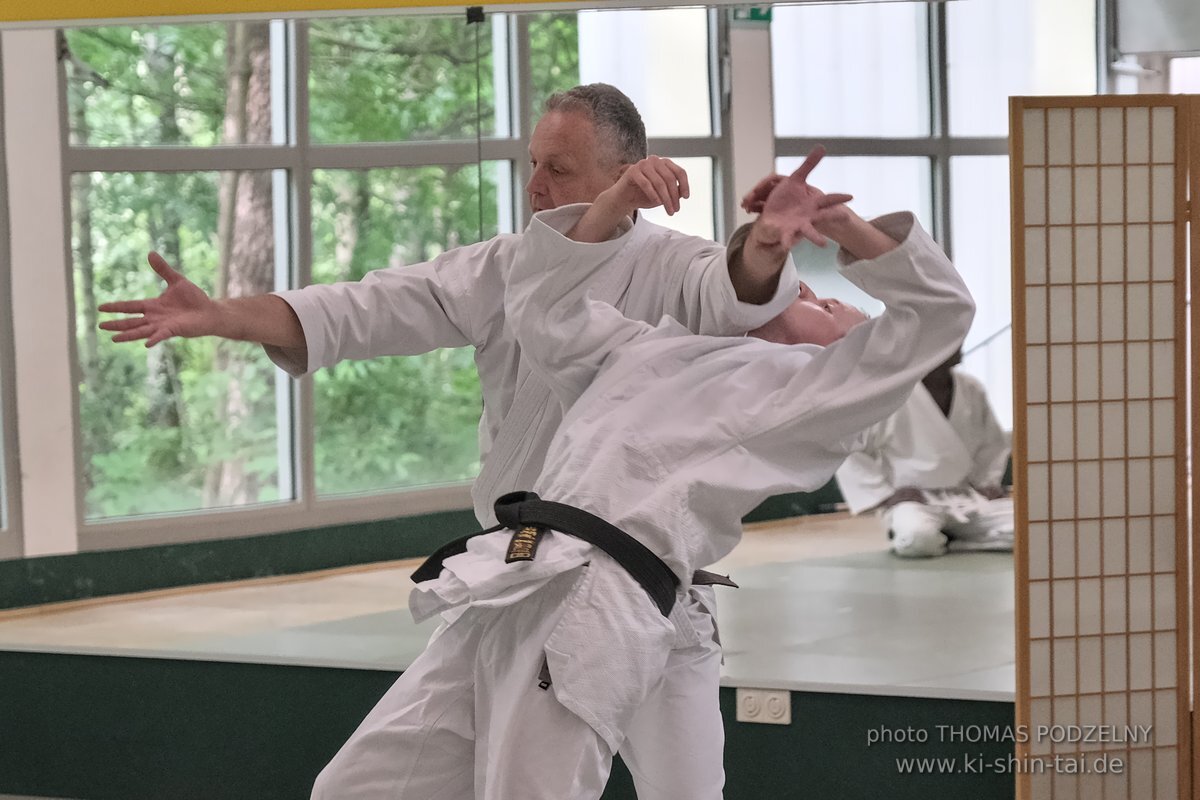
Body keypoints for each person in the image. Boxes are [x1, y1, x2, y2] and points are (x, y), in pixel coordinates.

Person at [98, 84, 809, 800]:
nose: (535, 186)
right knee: (356, 790)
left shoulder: (676, 267)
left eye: (558, 169)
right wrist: (225, 316)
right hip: (516, 576)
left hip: (649, 591)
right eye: (531, 164)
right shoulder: (501, 269)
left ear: (627, 171)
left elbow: (737, 286)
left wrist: (768, 243)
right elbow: (359, 309)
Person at [306, 154, 975, 798]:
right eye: (807, 286)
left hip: (601, 593)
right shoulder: (659, 346)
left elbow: (937, 314)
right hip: (520, 572)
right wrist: (615, 203)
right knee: (357, 785)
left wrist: (842, 227)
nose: (809, 292)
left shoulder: (810, 395)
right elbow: (546, 312)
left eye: (833, 308)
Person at [834, 348, 1013, 558]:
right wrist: (885, 496)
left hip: (966, 497)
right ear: (927, 345)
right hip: (913, 501)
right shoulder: (891, 392)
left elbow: (991, 444)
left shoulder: (971, 389)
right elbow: (851, 448)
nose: (959, 346)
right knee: (916, 540)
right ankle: (925, 535)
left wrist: (986, 484)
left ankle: (953, 543)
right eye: (952, 340)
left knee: (1029, 530)